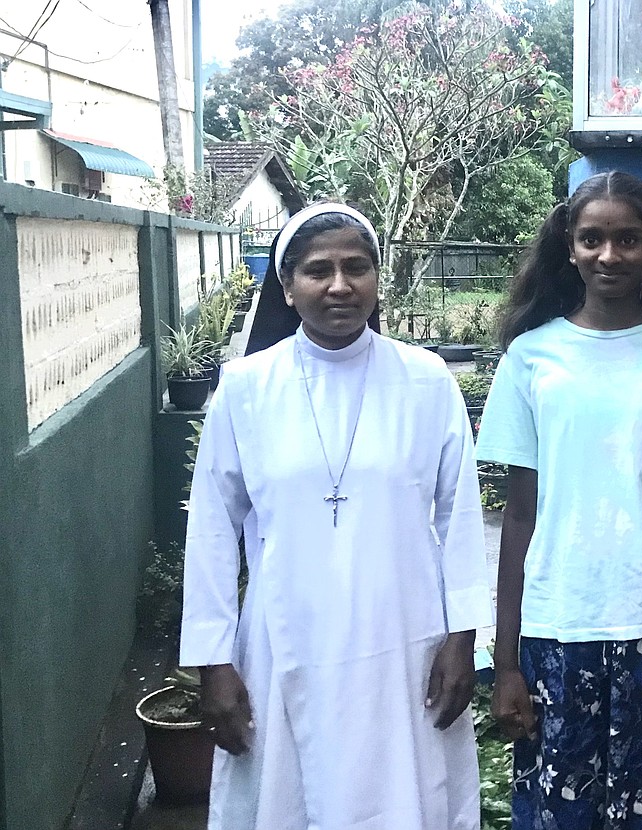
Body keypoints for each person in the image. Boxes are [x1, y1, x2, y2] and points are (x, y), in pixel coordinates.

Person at [180, 203, 493, 829]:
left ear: (379, 277)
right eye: (317, 271)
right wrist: (212, 660)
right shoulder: (245, 387)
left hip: (403, 636)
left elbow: (462, 516)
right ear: (288, 285)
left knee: (404, 790)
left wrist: (465, 639)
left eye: (357, 267)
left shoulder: (425, 380)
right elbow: (212, 529)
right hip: (282, 640)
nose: (339, 285)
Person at [475, 171, 642, 829]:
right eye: (592, 238)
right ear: (570, 245)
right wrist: (505, 662)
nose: (608, 255)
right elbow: (520, 517)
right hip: (558, 629)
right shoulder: (530, 358)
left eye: (627, 238)